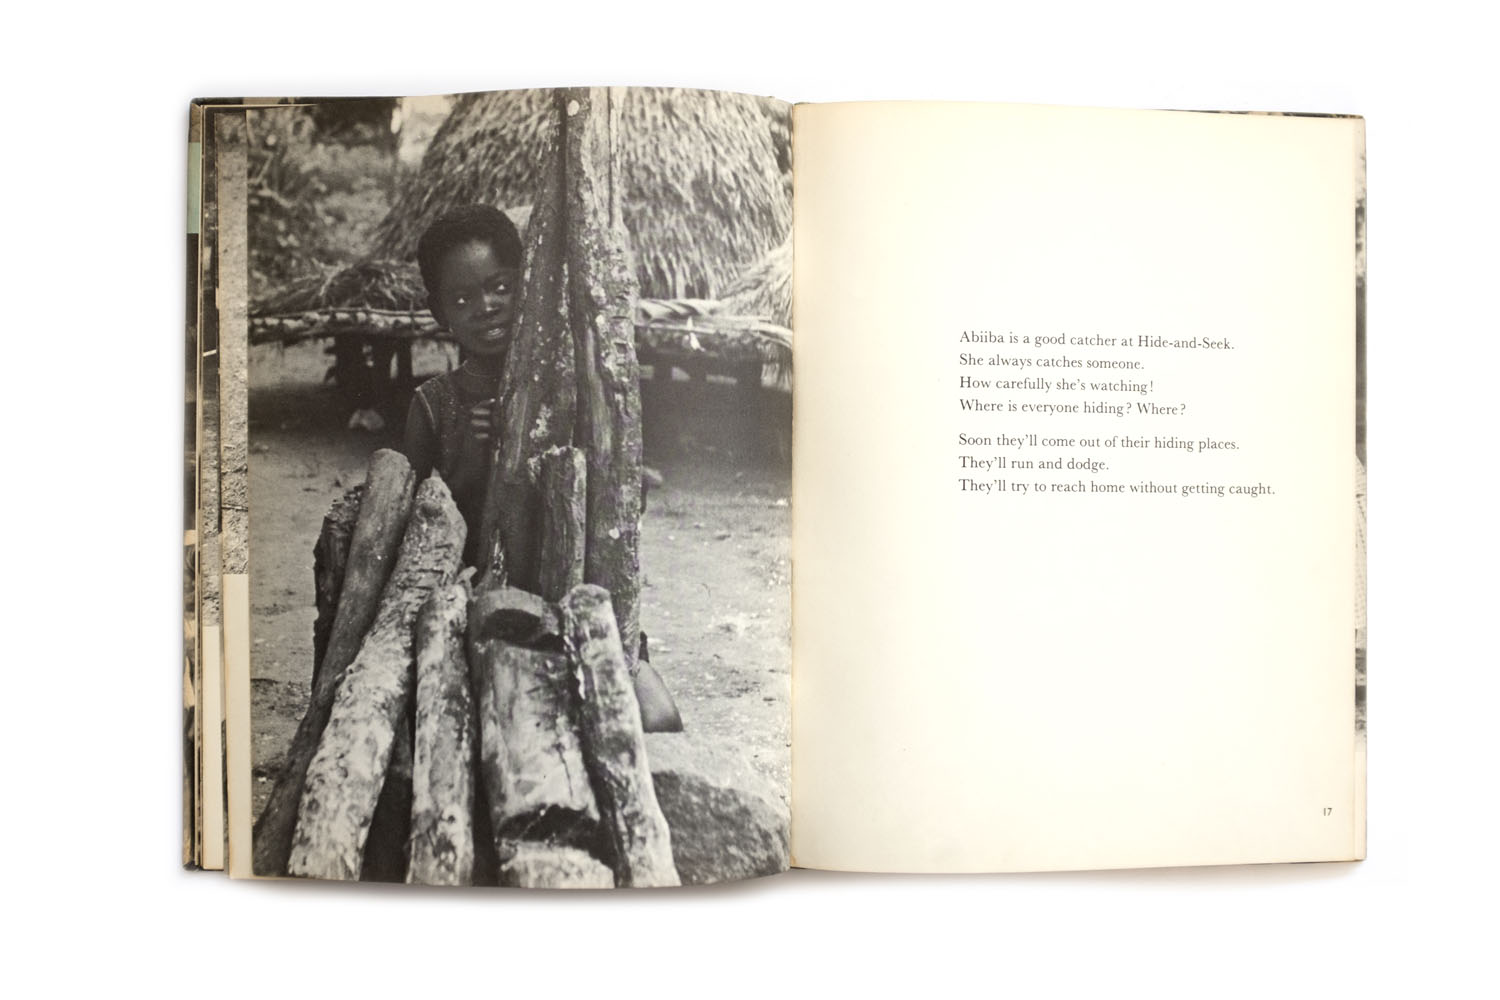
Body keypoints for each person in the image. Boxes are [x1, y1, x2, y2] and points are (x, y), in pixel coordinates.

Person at [404, 205, 681, 731]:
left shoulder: (576, 388)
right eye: (462, 299)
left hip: (574, 592)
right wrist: (477, 458)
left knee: (658, 720)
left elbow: (622, 501)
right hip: (475, 603)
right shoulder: (434, 406)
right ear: (440, 314)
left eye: (500, 287)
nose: (486, 307)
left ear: (527, 284)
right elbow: (416, 529)